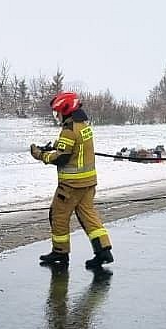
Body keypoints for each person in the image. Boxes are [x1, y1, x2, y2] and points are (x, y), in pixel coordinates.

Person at [30, 91, 114, 270]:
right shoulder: (83, 126)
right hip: (88, 183)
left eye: (57, 112)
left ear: (66, 110)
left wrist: (40, 155)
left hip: (71, 186)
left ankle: (60, 253)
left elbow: (62, 158)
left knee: (58, 215)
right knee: (88, 216)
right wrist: (56, 145)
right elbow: (75, 147)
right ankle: (104, 250)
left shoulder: (68, 130)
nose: (57, 116)